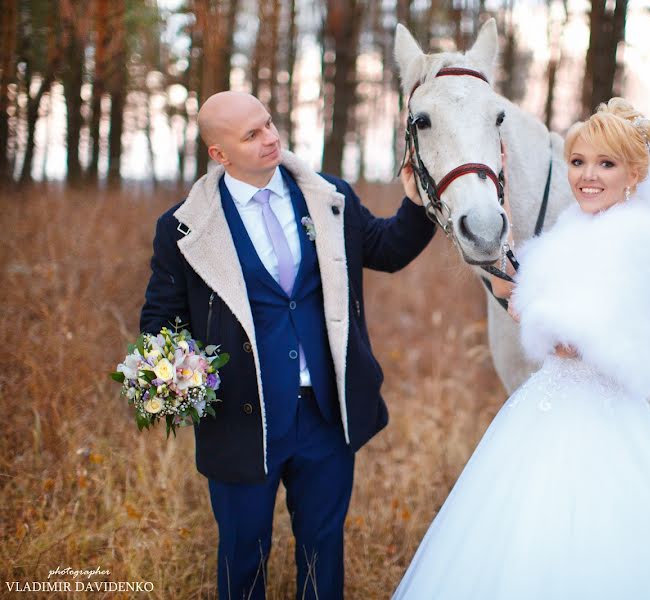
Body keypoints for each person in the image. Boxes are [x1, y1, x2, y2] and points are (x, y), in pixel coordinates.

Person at [393, 99, 650, 599]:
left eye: (605, 164)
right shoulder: (575, 225)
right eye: (578, 162)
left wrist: (539, 310)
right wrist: (491, 228)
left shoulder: (638, 238)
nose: (587, 176)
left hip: (600, 411)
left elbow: (583, 340)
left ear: (634, 174)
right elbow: (526, 297)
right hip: (551, 407)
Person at [139, 91, 434, 600]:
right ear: (220, 155)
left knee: (323, 550)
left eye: (269, 124)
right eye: (251, 135)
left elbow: (386, 249)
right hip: (241, 419)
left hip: (324, 413)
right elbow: (161, 321)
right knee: (243, 553)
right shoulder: (184, 228)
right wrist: (175, 384)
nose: (270, 138)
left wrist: (418, 200)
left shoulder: (327, 197)